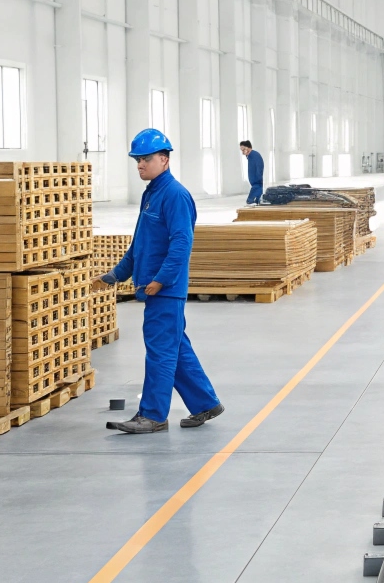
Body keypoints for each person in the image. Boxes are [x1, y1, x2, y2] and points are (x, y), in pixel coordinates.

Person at [94, 128, 225, 434]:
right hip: (152, 287)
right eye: (137, 159)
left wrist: (161, 281)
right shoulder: (151, 193)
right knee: (175, 348)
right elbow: (140, 245)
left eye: (146, 159)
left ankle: (152, 415)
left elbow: (182, 243)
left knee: (160, 352)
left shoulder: (175, 195)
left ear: (164, 159)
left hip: (165, 292)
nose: (140, 164)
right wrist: (114, 275)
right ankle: (206, 403)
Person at [241, 140, 265, 204]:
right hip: (254, 180)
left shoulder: (255, 155)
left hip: (256, 180)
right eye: (242, 150)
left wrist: (259, 176)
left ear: (249, 148)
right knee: (258, 194)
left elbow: (259, 165)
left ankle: (252, 200)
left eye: (244, 150)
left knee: (254, 192)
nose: (242, 152)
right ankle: (258, 201)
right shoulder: (250, 156)